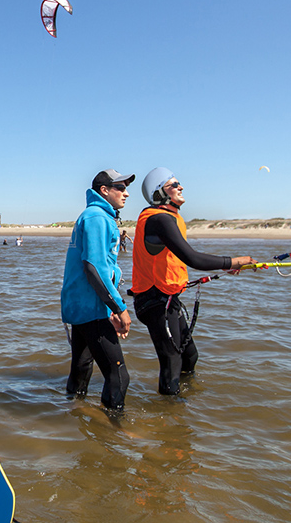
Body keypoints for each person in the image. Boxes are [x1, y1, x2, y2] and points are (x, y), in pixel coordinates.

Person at [130, 167, 256, 396]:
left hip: (167, 299)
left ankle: (184, 402)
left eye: (179, 183)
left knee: (190, 356)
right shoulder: (158, 219)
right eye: (174, 184)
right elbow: (192, 258)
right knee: (172, 362)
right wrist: (232, 261)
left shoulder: (168, 218)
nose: (181, 187)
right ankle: (171, 420)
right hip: (154, 301)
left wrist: (227, 265)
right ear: (160, 193)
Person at [60, 169, 135, 410]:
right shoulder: (97, 218)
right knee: (119, 376)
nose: (127, 193)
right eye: (121, 187)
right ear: (104, 190)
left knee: (81, 369)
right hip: (91, 308)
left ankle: (74, 418)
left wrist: (108, 305)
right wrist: (118, 307)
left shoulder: (95, 215)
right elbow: (94, 268)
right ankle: (113, 435)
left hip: (84, 307)